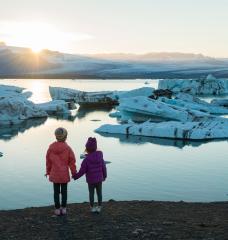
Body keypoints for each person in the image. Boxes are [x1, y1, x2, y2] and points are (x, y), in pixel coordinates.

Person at [45, 127, 76, 216]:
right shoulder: (68, 148)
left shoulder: (51, 148)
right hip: (64, 174)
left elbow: (48, 161)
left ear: (56, 136)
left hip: (54, 174)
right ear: (65, 137)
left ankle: (57, 209)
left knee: (56, 192)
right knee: (64, 192)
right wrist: (74, 173)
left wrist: (48, 171)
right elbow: (72, 162)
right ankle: (64, 208)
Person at [73, 137, 107, 213]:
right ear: (95, 148)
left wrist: (75, 176)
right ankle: (99, 207)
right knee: (99, 193)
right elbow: (104, 167)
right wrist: (104, 176)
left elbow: (82, 171)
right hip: (99, 179)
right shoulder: (100, 157)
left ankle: (92, 207)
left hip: (91, 180)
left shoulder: (86, 160)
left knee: (91, 193)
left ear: (87, 149)